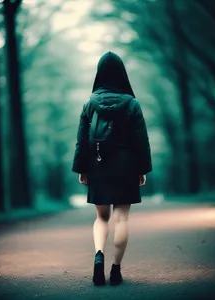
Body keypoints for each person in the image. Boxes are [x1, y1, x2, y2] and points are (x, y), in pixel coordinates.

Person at [72, 51, 152, 286]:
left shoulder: (90, 104)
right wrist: (142, 170)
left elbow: (81, 140)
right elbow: (141, 140)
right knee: (121, 218)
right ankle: (116, 269)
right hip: (126, 166)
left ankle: (99, 255)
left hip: (98, 164)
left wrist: (81, 168)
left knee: (101, 217)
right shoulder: (132, 104)